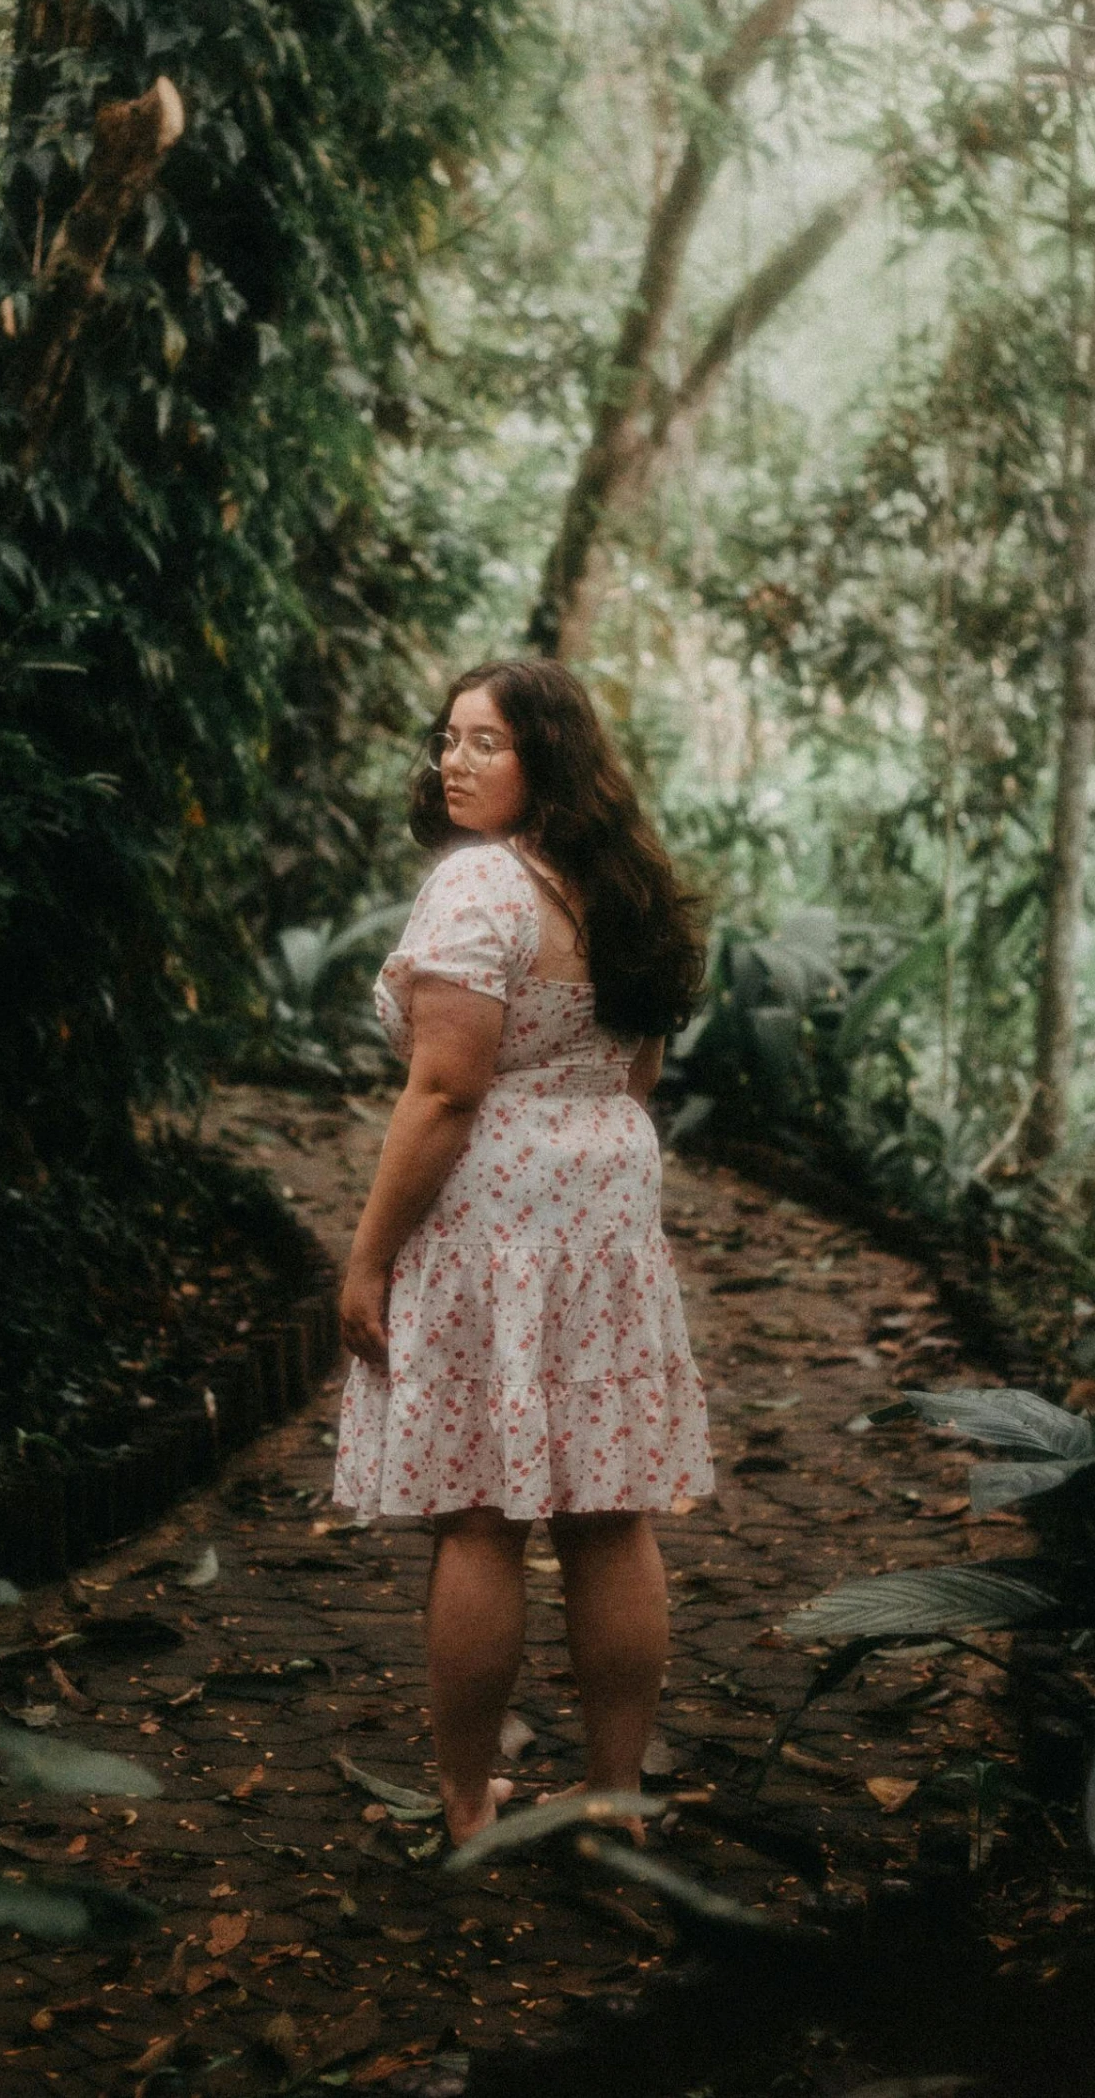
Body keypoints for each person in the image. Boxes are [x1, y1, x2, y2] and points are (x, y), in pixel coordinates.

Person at [333, 658, 715, 1845]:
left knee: (482, 1513)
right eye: (447, 738)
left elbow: (445, 1089)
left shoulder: (480, 886)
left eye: (484, 741)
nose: (453, 760)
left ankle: (462, 1803)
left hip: (494, 1210)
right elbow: (636, 1070)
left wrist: (365, 1257)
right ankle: (612, 1797)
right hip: (605, 1198)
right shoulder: (619, 885)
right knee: (609, 1505)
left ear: (546, 755)